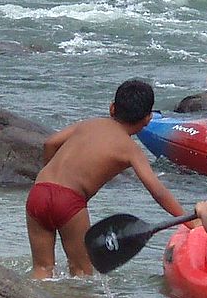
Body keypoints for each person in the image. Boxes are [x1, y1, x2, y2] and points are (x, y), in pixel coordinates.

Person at [27, 79, 183, 279]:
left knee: (42, 268)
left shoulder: (88, 124)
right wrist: (190, 221)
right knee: (82, 272)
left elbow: (50, 143)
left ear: (112, 108)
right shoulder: (131, 150)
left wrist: (49, 175)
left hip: (39, 191)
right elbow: (157, 191)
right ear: (147, 118)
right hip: (68, 201)